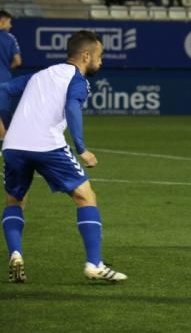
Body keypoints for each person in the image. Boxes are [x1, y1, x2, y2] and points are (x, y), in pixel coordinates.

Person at [0, 30, 126, 283]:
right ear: (86, 55)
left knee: (14, 200)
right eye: (99, 56)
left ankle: (16, 253)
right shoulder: (78, 79)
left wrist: (3, 124)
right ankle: (94, 264)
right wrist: (81, 148)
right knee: (85, 196)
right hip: (48, 146)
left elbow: (3, 89)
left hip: (13, 145)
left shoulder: (41, 74)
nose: (101, 62)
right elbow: (71, 107)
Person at [0, 10, 22, 84]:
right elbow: (18, 61)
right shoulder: (10, 38)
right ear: (2, 21)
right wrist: (6, 69)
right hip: (3, 78)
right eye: (9, 22)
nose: (11, 25)